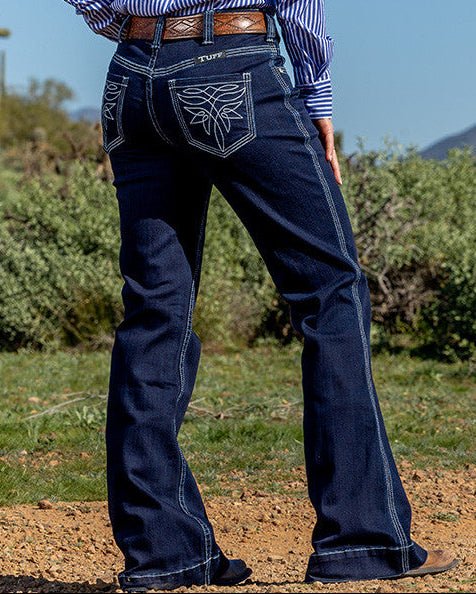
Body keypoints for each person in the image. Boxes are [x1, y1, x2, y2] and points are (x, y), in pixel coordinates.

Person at [64, 1, 458, 591]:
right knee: (330, 293)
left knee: (154, 312)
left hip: (132, 83)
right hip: (232, 67)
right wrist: (316, 94)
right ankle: (362, 538)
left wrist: (134, 27)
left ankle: (166, 555)